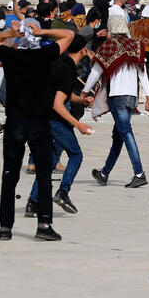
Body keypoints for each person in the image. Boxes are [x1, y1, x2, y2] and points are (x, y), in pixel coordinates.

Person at [0, 19, 74, 241]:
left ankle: (5, 228)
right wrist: (43, 30)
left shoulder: (10, 57)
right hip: (39, 121)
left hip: (15, 121)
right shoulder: (45, 56)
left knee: (9, 175)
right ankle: (44, 224)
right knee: (44, 174)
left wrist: (12, 33)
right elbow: (68, 35)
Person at [25, 35, 94, 217]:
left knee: (50, 160)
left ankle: (33, 202)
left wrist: (82, 100)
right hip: (53, 118)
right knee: (76, 155)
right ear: (82, 50)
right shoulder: (68, 69)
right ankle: (63, 192)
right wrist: (78, 124)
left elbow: (63, 94)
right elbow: (58, 103)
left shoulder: (60, 64)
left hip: (39, 115)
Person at [85, 14, 149, 189]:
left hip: (118, 97)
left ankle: (139, 173)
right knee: (118, 136)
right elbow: (142, 73)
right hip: (132, 98)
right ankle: (104, 173)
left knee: (126, 133)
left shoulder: (108, 47)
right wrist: (148, 96)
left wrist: (84, 91)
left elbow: (95, 72)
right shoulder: (136, 46)